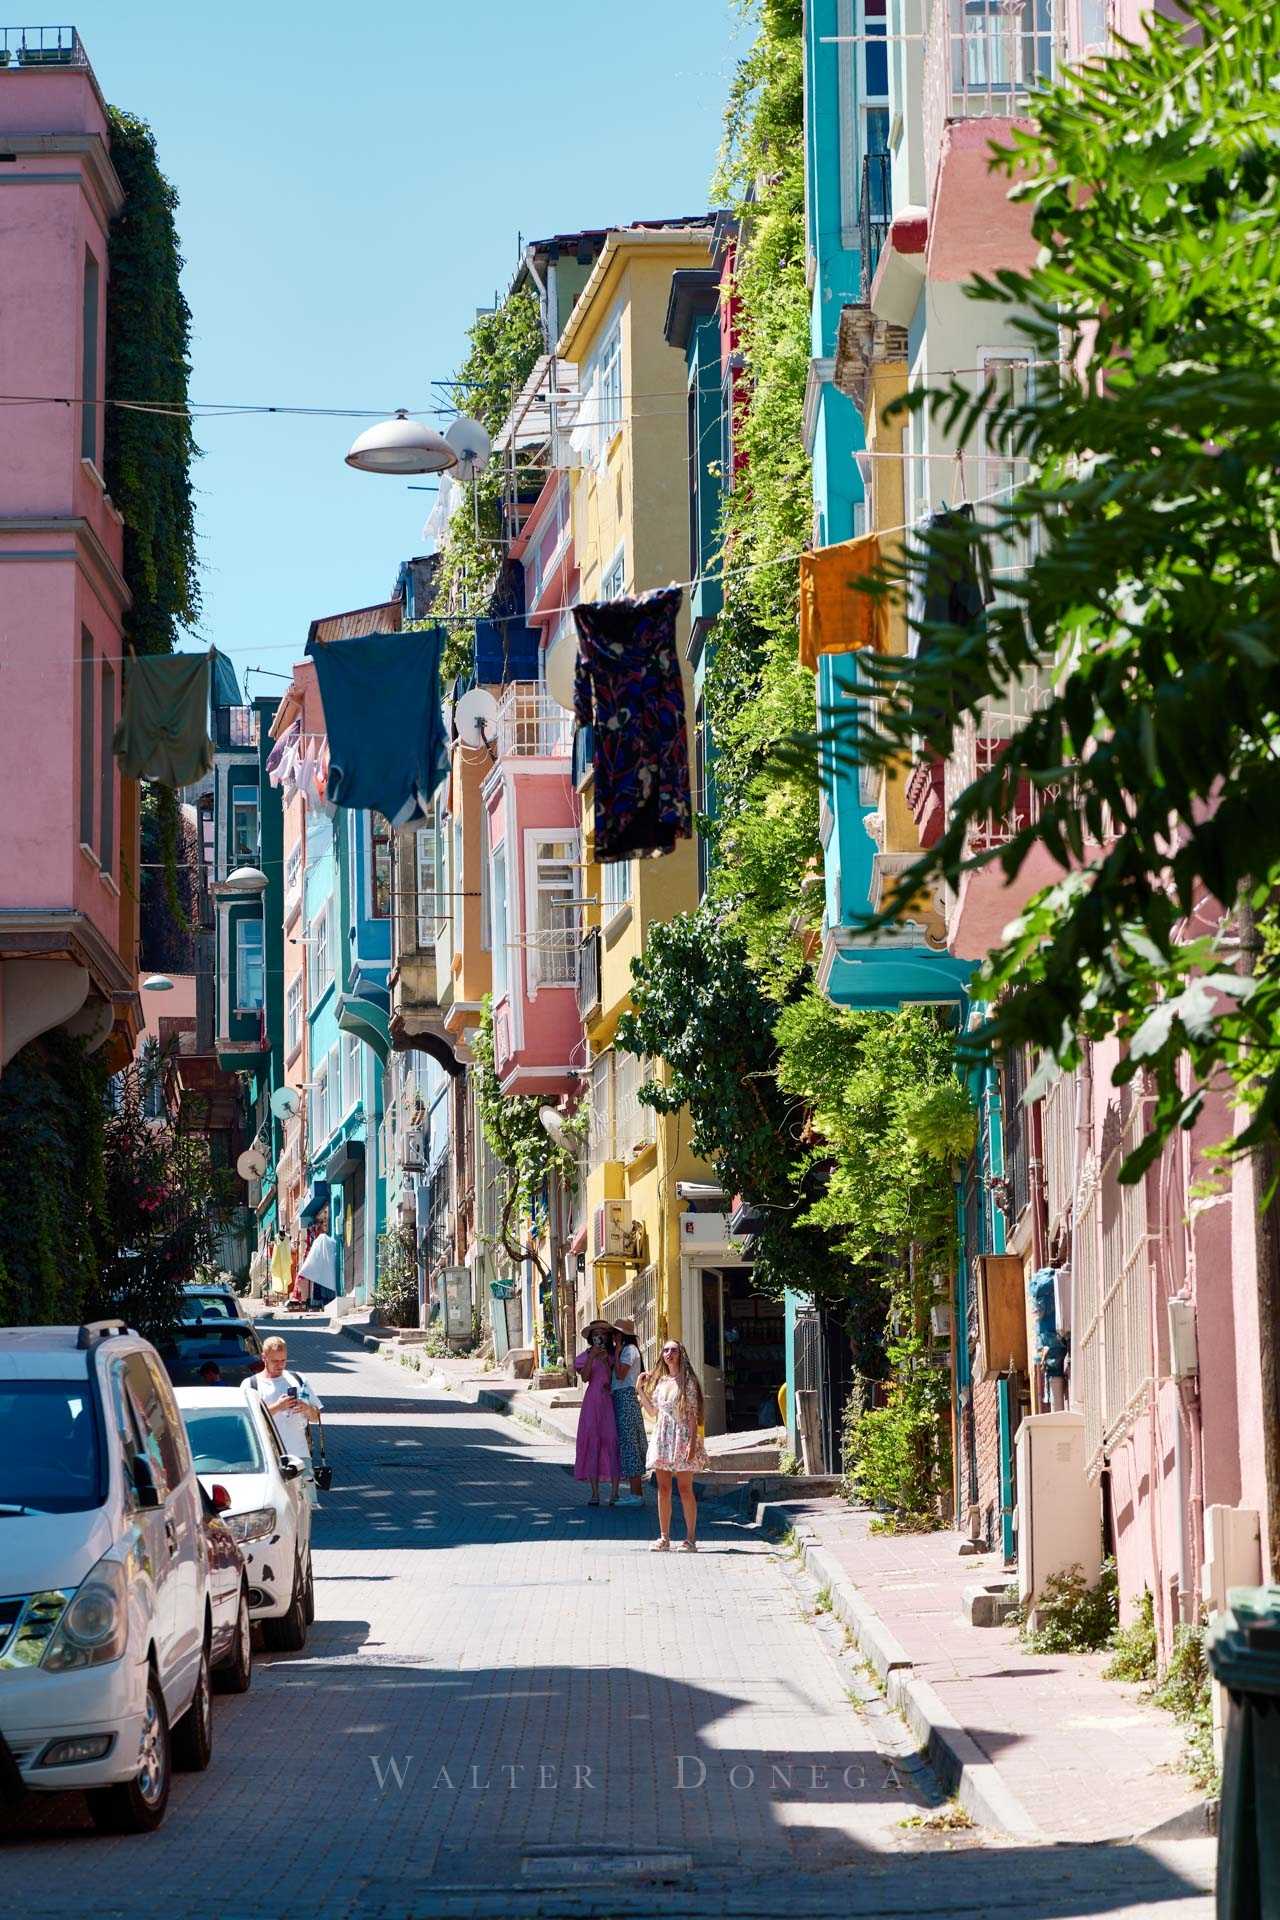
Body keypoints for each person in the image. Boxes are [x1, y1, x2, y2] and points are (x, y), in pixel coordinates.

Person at [639, 1340, 708, 1552]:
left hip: (681, 1437)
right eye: (666, 1350)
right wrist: (639, 1389)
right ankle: (664, 1537)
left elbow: (692, 1414)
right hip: (662, 1438)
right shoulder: (661, 1382)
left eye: (674, 1350)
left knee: (685, 1488)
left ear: (681, 1354)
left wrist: (692, 1444)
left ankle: (690, 1539)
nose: (669, 1353)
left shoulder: (687, 1381)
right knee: (664, 1488)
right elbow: (652, 1412)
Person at [253, 1334, 323, 1506]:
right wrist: (278, 1406)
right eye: (275, 1361)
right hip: (268, 1459)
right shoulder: (252, 1385)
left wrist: (306, 1408)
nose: (280, 1365)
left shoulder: (298, 1379)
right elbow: (249, 1421)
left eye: (283, 1360)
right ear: (264, 1358)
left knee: (307, 1508)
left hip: (299, 1455)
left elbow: (317, 1417)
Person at [573, 1320, 621, 1507]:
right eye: (595, 1334)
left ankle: (615, 1493)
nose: (599, 1337)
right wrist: (592, 1357)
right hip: (592, 1402)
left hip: (609, 1401)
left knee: (612, 1442)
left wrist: (611, 1357)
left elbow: (619, 1375)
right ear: (591, 1338)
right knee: (593, 1442)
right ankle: (594, 1493)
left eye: (602, 1333)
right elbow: (585, 1377)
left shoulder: (612, 1355)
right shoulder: (584, 1357)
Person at [610, 1317, 647, 1506]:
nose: (614, 1337)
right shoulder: (629, 1350)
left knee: (630, 1443)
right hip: (622, 1398)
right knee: (628, 1442)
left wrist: (616, 1353)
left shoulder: (628, 1351)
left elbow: (620, 1374)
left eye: (616, 1334)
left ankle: (636, 1494)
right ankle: (635, 1492)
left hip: (625, 1398)